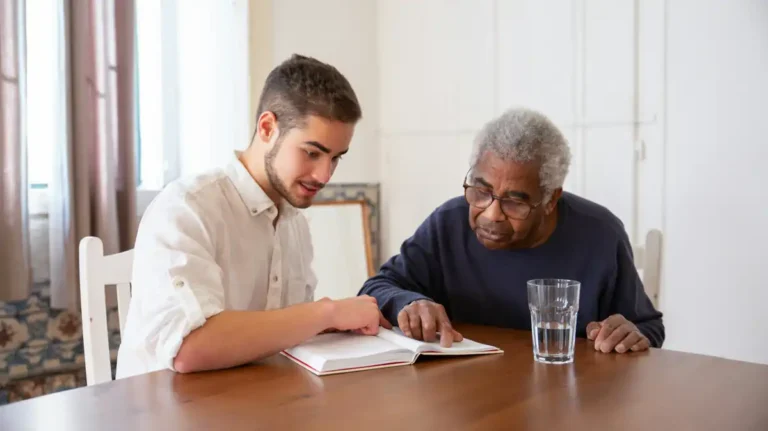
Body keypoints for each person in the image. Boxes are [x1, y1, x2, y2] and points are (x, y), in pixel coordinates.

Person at [116, 54, 389, 379]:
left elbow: (282, 333)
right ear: (267, 128)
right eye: (312, 153)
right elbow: (189, 348)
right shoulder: (187, 207)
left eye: (335, 158)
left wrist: (334, 326)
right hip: (164, 405)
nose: (324, 175)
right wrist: (326, 313)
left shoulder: (295, 223)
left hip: (252, 398)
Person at [359, 107, 664, 353]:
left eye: (514, 202)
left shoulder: (600, 234)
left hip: (566, 395)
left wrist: (628, 334)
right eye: (481, 191)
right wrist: (409, 302)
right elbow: (376, 288)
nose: (491, 214)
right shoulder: (448, 223)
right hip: (467, 395)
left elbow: (648, 328)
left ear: (550, 200)